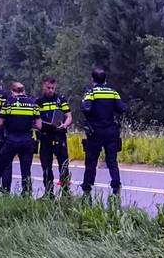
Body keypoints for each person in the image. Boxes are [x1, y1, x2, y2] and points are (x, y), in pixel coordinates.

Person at [79, 67, 126, 196]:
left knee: (91, 161)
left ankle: (87, 187)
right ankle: (116, 185)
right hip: (111, 131)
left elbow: (86, 108)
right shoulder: (113, 92)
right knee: (112, 161)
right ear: (105, 79)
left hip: (95, 132)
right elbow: (122, 108)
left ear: (92, 80)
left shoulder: (91, 92)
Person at [0, 82, 41, 194]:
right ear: (23, 91)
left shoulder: (8, 104)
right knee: (26, 170)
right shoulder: (33, 104)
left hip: (11, 141)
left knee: (1, 166)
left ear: (12, 92)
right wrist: (29, 123)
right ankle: (26, 194)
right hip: (27, 141)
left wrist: (9, 121)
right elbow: (39, 126)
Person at [36, 77, 73, 194]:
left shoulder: (61, 99)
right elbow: (35, 119)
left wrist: (65, 125)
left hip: (59, 136)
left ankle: (66, 193)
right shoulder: (38, 102)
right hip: (45, 137)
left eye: (53, 88)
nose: (51, 90)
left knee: (64, 166)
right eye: (48, 88)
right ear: (43, 87)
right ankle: (49, 193)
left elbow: (69, 116)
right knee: (46, 167)